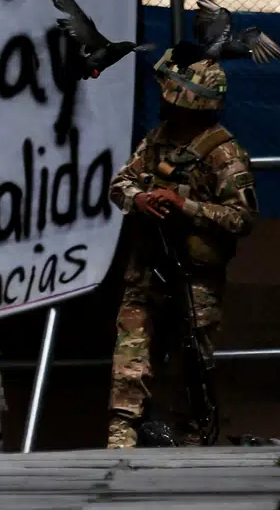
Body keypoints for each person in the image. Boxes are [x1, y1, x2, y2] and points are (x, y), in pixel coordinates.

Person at [105, 46, 257, 448]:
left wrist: (184, 206)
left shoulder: (224, 154)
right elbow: (119, 183)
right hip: (147, 270)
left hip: (195, 281)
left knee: (192, 366)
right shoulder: (156, 141)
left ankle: (193, 448)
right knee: (130, 359)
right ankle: (121, 440)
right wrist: (140, 199)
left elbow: (242, 218)